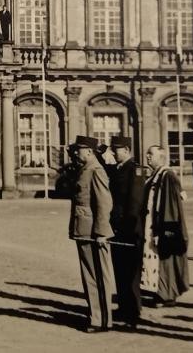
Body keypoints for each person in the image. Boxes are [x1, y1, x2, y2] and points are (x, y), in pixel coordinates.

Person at [69, 135, 114, 333]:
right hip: (83, 230)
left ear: (89, 151)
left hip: (93, 232)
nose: (76, 153)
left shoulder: (96, 170)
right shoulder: (84, 169)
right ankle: (94, 315)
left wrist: (102, 232)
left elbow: (104, 203)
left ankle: (102, 319)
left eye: (79, 150)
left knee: (98, 276)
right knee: (89, 275)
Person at [140, 145, 189, 307]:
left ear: (161, 157)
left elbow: (171, 204)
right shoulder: (155, 175)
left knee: (165, 258)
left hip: (164, 224)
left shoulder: (167, 176)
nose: (147, 156)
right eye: (147, 153)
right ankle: (158, 291)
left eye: (150, 154)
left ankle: (166, 294)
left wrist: (164, 229)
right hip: (150, 223)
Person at [107, 136, 143, 329]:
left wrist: (128, 228)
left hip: (129, 229)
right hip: (118, 228)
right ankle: (123, 307)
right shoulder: (119, 168)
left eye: (117, 149)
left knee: (130, 274)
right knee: (120, 270)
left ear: (127, 150)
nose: (114, 152)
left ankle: (133, 314)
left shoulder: (135, 170)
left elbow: (134, 203)